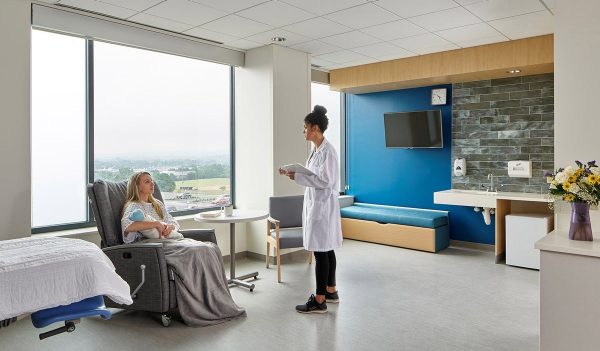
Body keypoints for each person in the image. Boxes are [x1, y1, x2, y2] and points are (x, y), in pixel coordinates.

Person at [120, 171, 246, 326]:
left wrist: (169, 226)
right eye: (147, 182)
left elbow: (173, 222)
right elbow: (128, 226)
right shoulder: (133, 206)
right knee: (193, 252)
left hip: (170, 240)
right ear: (137, 186)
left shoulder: (157, 204)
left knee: (209, 248)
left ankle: (213, 299)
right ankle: (200, 305)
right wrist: (156, 224)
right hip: (151, 247)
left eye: (152, 181)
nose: (152, 183)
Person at [279, 105, 342, 314]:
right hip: (318, 205)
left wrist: (297, 176)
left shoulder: (328, 152)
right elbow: (314, 177)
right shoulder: (316, 150)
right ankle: (331, 291)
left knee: (321, 252)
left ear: (315, 128)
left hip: (322, 207)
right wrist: (295, 174)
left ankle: (320, 299)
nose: (303, 130)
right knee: (327, 248)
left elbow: (325, 180)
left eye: (305, 127)